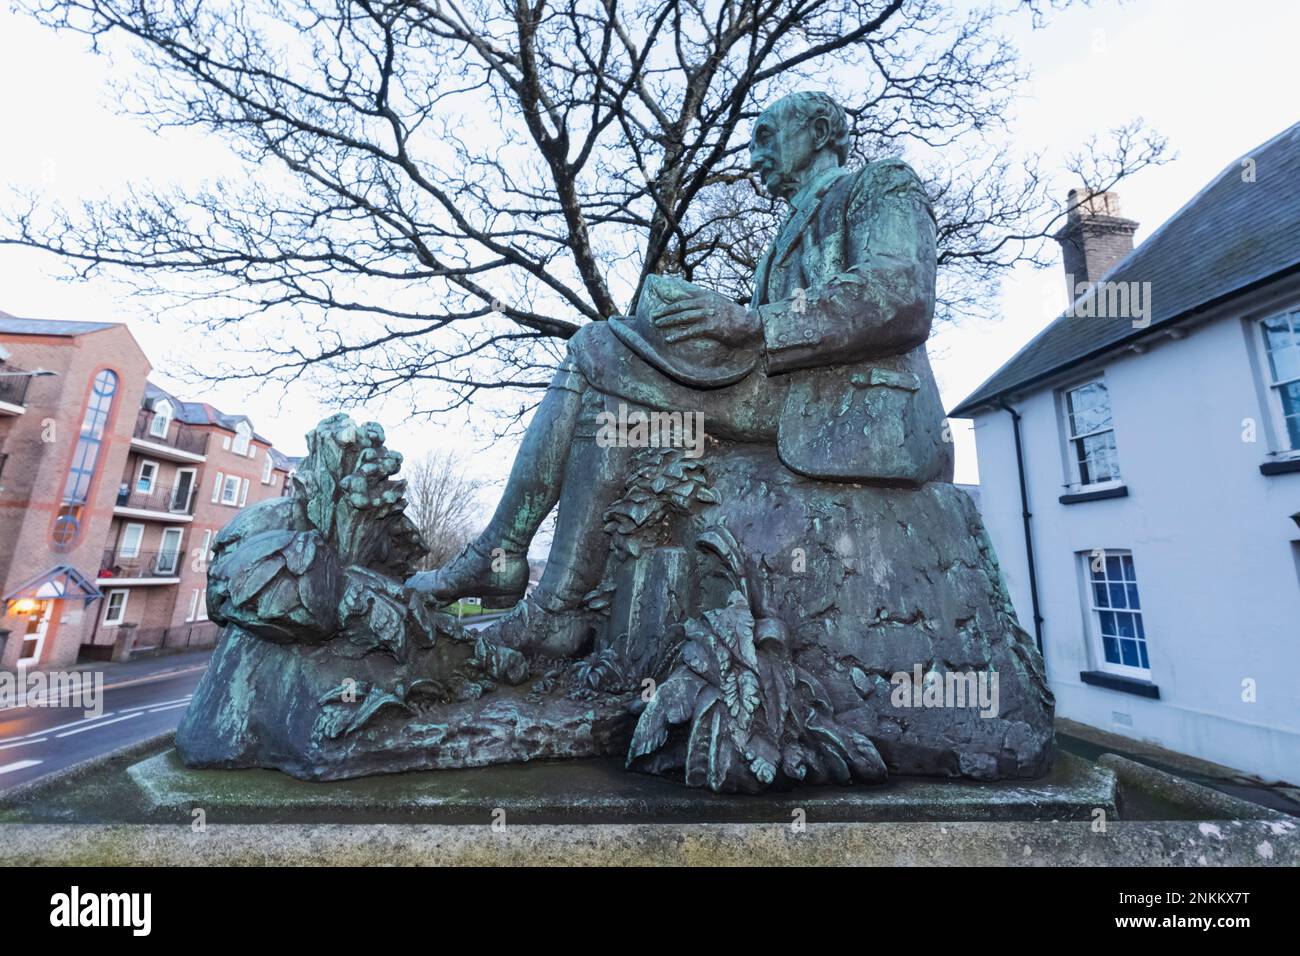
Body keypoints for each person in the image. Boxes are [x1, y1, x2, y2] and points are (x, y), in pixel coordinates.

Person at [407, 90, 953, 656]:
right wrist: (701, 321)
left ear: (818, 131)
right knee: (612, 410)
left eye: (766, 137)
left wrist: (749, 322)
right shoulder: (782, 238)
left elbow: (902, 295)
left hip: (857, 405)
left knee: (594, 344)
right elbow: (758, 332)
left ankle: (500, 553)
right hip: (787, 388)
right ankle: (552, 609)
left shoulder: (882, 184)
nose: (754, 157)